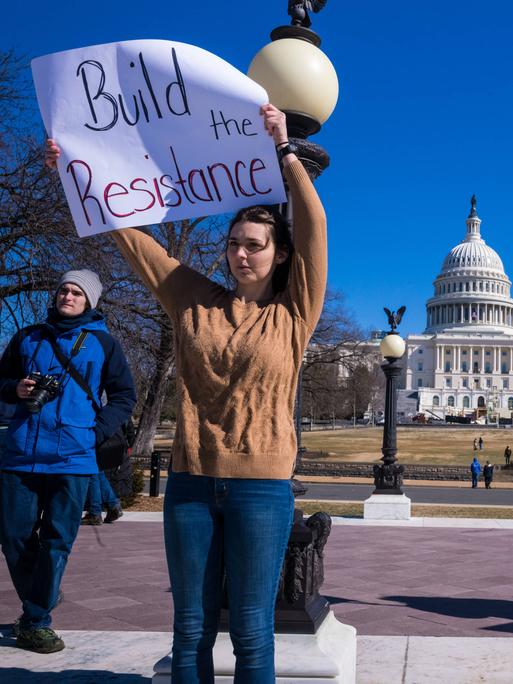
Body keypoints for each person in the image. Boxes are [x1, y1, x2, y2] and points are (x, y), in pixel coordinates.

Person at [46, 103, 326, 683]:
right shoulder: (193, 299)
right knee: (190, 628)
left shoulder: (296, 311)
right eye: (233, 244)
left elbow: (314, 226)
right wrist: (74, 171)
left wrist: (285, 152)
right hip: (192, 482)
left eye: (254, 244)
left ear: (279, 254)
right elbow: (135, 244)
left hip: (261, 487)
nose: (240, 253)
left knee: (251, 630)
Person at [0, 270, 136, 654]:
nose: (68, 296)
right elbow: (1, 381)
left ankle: (36, 620)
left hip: (73, 459)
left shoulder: (104, 344)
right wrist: (15, 388)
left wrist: (94, 433)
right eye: (63, 289)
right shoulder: (27, 337)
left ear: (89, 301)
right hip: (21, 454)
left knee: (57, 541)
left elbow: (124, 396)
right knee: (13, 538)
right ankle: (43, 595)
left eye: (77, 292)